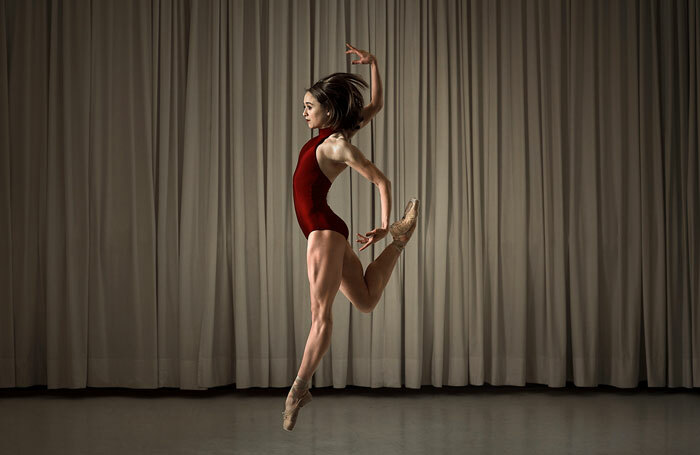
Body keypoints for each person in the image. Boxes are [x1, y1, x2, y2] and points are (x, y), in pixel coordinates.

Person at [282, 43, 419, 431]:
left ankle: (297, 390)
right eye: (304, 105)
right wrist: (374, 63)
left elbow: (381, 180)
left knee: (321, 317)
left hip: (323, 233)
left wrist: (382, 221)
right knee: (366, 300)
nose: (304, 112)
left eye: (309, 106)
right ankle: (399, 242)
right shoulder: (332, 133)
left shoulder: (337, 145)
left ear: (327, 109)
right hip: (330, 233)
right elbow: (374, 105)